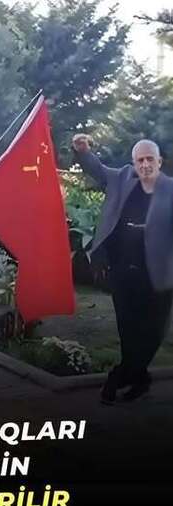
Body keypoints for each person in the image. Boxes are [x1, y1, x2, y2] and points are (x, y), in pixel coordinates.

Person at [72, 134, 173, 404]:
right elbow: (97, 169)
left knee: (152, 332)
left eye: (150, 159)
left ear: (159, 161)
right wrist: (83, 152)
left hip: (159, 275)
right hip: (123, 271)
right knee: (128, 330)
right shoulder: (122, 178)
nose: (145, 165)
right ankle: (139, 379)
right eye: (140, 160)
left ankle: (120, 376)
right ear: (133, 163)